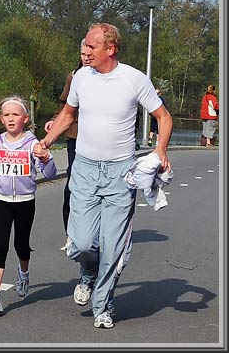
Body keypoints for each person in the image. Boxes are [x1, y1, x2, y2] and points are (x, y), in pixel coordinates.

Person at [40, 23, 173, 329]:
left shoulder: (133, 79)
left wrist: (161, 151)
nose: (84, 51)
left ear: (110, 49)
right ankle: (88, 272)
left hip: (120, 173)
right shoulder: (80, 77)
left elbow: (163, 117)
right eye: (84, 46)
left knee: (113, 246)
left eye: (91, 47)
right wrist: (47, 141)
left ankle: (103, 305)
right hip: (85, 168)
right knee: (83, 242)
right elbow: (69, 114)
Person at [0, 96, 57, 314]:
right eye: (6, 115)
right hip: (2, 200)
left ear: (25, 119)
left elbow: (50, 174)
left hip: (25, 202)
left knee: (21, 244)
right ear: (1, 119)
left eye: (15, 115)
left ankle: (24, 274)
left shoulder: (33, 144)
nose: (11, 119)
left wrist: (46, 157)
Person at [44, 40, 89, 250]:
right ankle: (70, 234)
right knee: (73, 182)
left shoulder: (109, 77)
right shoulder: (74, 75)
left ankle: (90, 233)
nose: (86, 56)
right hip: (74, 134)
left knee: (90, 188)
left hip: (97, 138)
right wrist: (55, 120)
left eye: (90, 51)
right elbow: (65, 103)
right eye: (82, 52)